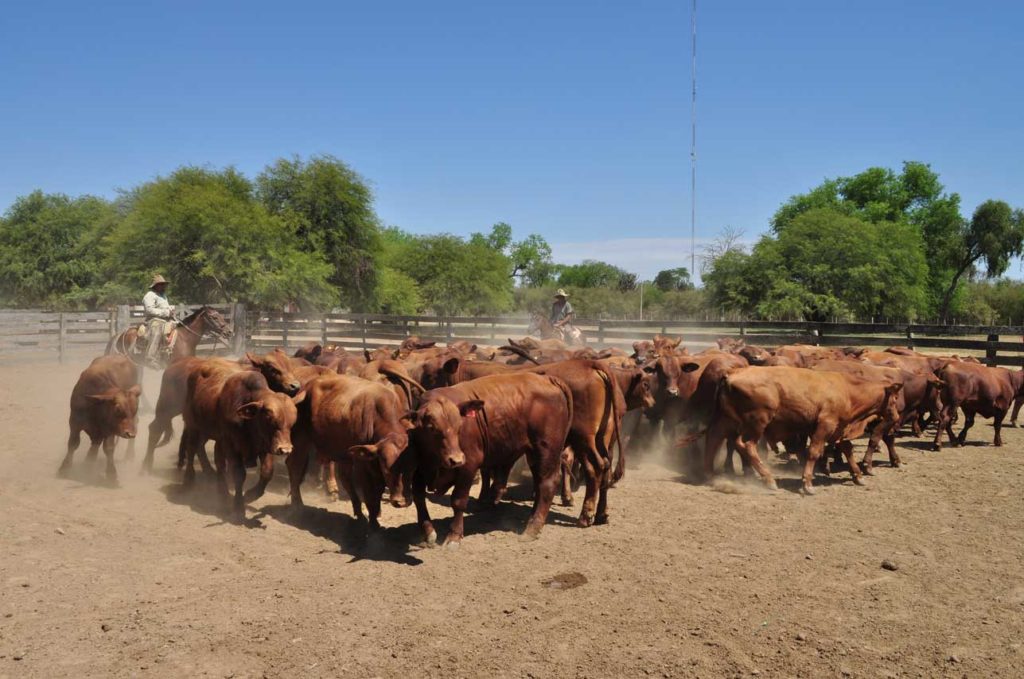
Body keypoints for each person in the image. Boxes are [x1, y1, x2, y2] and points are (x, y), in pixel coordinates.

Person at [142, 274, 175, 367]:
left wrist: (170, 309)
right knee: (157, 331)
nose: (163, 286)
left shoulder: (163, 295)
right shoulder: (149, 295)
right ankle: (150, 358)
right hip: (153, 320)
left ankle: (167, 355)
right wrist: (166, 313)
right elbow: (149, 310)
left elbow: (165, 307)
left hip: (165, 319)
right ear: (156, 285)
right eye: (161, 284)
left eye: (164, 284)